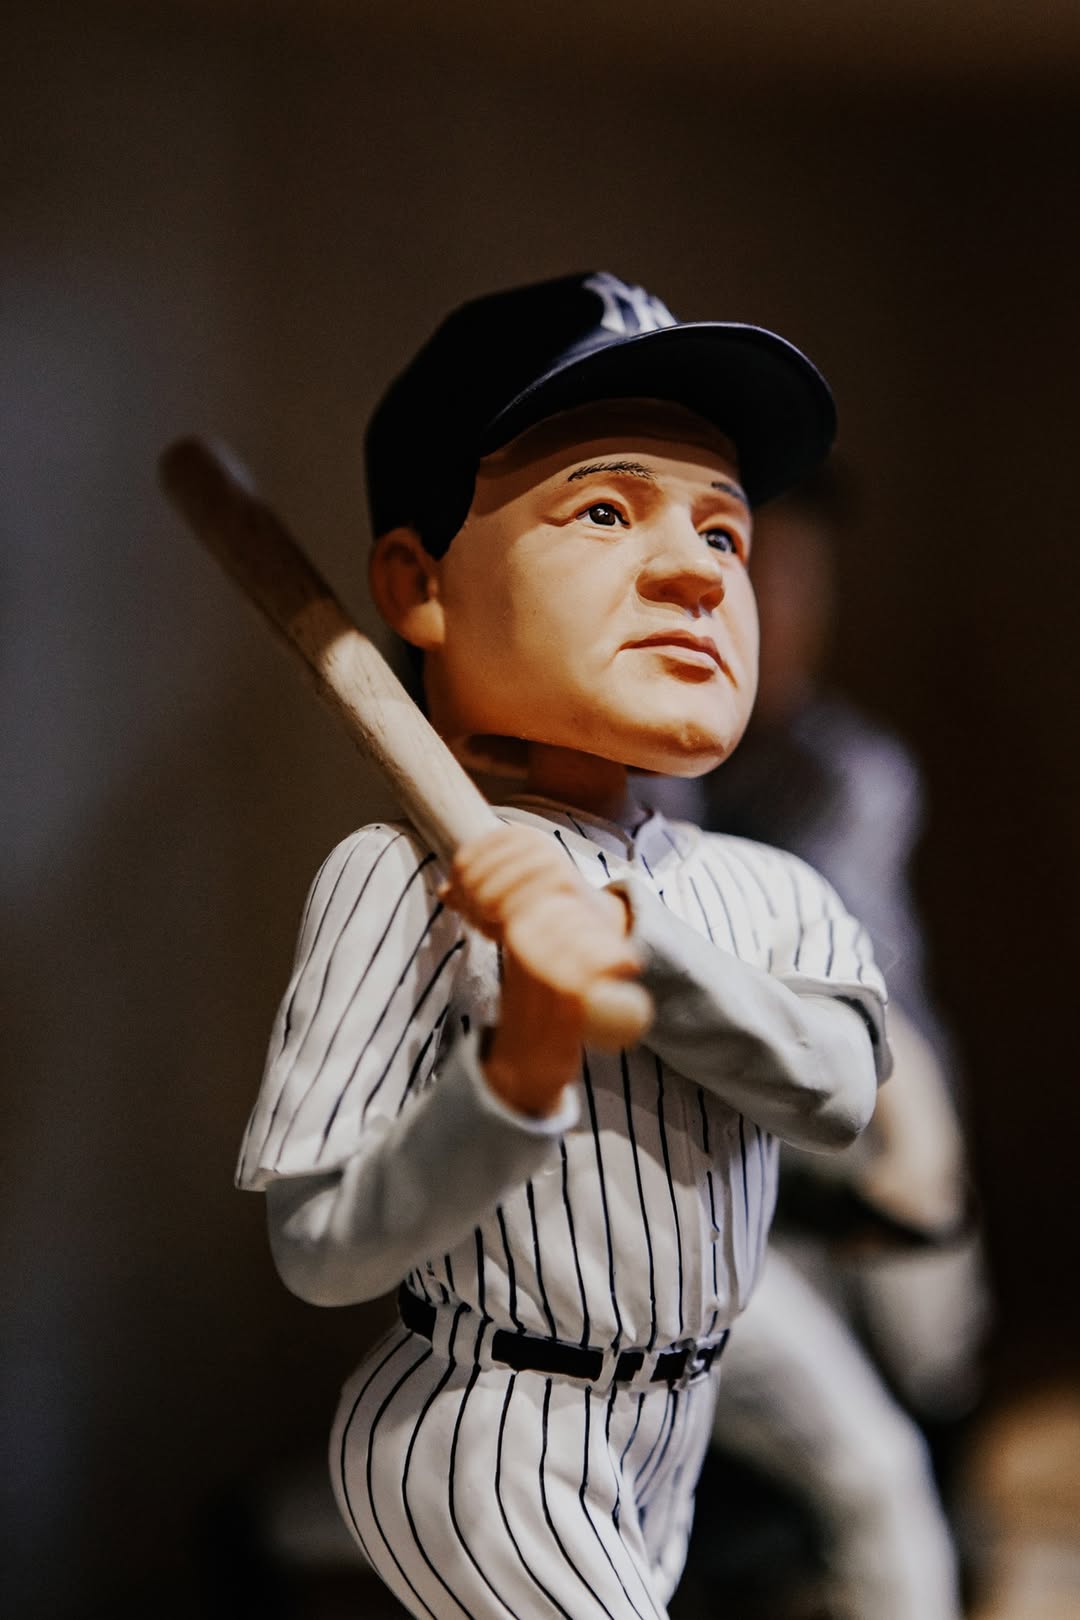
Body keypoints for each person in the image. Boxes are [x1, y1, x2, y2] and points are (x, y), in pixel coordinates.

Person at [235, 272, 890, 1620]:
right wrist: (515, 1076)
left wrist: (644, 954)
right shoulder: (400, 881)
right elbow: (319, 1248)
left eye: (726, 531)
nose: (695, 571)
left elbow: (838, 1094)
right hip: (485, 1428)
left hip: (677, 1431)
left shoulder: (762, 886)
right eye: (603, 511)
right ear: (419, 586)